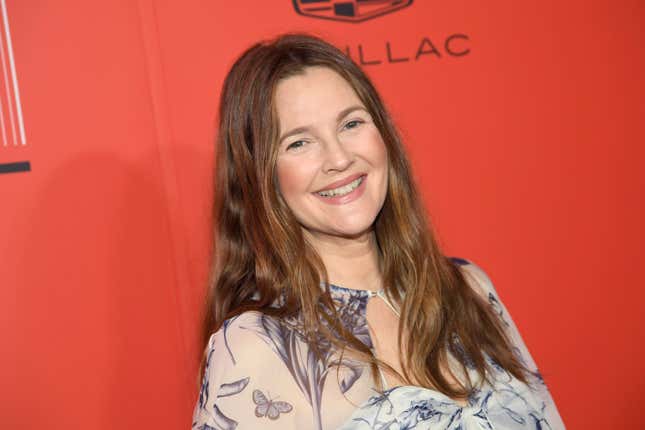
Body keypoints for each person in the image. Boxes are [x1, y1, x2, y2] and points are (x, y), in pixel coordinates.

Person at [191, 33, 565, 430]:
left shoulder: (469, 288)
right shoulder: (257, 346)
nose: (339, 158)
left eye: (351, 123)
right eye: (299, 143)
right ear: (259, 175)